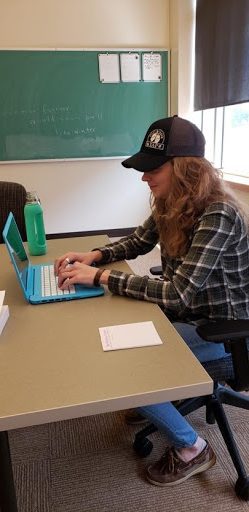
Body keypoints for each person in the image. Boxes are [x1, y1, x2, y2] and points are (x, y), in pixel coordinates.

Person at [54, 116, 249, 487]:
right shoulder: (170, 201)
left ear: (185, 170)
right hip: (188, 312)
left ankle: (192, 448)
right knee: (111, 334)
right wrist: (96, 255)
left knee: (121, 366)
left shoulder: (218, 213)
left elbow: (176, 292)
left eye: (152, 168)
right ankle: (157, 398)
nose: (144, 177)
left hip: (221, 329)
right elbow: (139, 242)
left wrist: (102, 277)